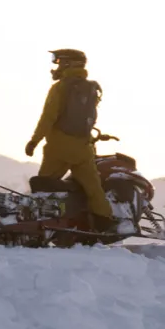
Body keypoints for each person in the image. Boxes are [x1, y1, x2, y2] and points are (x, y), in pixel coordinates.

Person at [27, 48, 115, 231]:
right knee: (94, 189)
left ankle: (39, 224)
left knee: (43, 185)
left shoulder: (60, 88)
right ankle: (105, 223)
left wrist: (34, 141)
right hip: (84, 148)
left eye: (58, 62)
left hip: (59, 147)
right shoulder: (90, 88)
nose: (55, 67)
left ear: (68, 63)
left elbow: (47, 118)